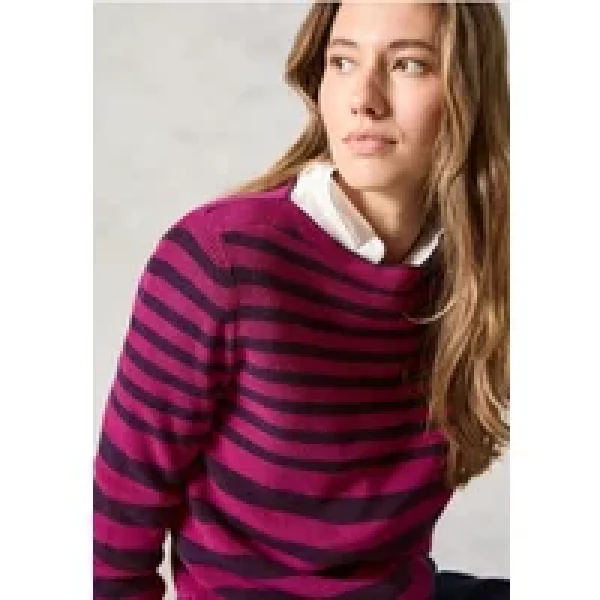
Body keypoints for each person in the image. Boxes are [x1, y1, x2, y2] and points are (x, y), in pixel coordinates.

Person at [93, 2, 509, 599]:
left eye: (408, 64)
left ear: (468, 90)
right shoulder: (219, 261)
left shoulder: (483, 272)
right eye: (343, 62)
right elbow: (114, 534)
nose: (364, 99)